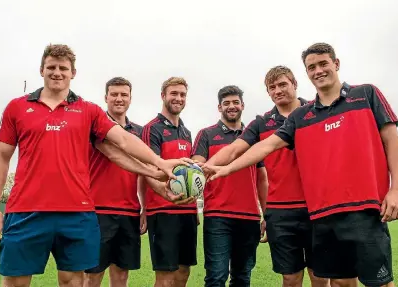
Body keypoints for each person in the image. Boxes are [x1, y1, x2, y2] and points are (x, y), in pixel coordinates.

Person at [204, 42, 398, 287]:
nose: (318, 70)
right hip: (323, 214)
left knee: (379, 283)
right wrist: (222, 169)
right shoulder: (303, 116)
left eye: (323, 64)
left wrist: (397, 189)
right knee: (341, 282)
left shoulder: (366, 94)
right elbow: (264, 147)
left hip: (363, 209)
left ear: (336, 64)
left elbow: (391, 140)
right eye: (312, 67)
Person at [0, 44, 190, 287]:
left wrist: (159, 163)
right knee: (15, 281)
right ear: (41, 70)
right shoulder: (17, 107)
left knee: (73, 281)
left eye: (64, 68)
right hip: (25, 210)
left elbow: (122, 141)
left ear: (73, 73)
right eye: (51, 67)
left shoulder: (88, 111)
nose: (57, 72)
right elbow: (0, 156)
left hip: (76, 213)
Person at [201, 69, 329, 287]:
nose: (277, 91)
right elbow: (234, 150)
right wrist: (205, 168)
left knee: (320, 276)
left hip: (317, 207)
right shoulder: (262, 123)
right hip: (281, 213)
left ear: (294, 83)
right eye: (272, 87)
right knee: (290, 278)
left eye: (282, 85)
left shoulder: (317, 111)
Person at [191, 85, 268, 287]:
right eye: (226, 103)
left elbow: (262, 178)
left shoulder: (253, 136)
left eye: (235, 102)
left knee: (243, 278)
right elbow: (197, 169)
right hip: (218, 216)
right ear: (219, 107)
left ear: (242, 105)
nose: (231, 106)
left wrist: (265, 214)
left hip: (249, 216)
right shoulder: (206, 134)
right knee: (216, 277)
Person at [84, 77, 147, 287]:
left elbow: (144, 174)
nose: (119, 99)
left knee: (121, 275)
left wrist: (144, 208)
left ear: (130, 99)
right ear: (106, 97)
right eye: (114, 94)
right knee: (93, 275)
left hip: (129, 212)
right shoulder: (94, 126)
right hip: (97, 211)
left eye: (124, 95)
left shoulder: (138, 132)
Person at [142, 77, 198, 287]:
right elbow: (148, 171)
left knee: (183, 272)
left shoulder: (186, 132)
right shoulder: (152, 129)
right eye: (174, 93)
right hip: (163, 212)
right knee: (165, 276)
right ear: (163, 96)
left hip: (188, 212)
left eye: (182, 94)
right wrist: (163, 194)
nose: (178, 98)